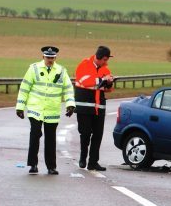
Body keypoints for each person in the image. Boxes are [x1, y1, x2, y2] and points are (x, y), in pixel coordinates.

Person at [16, 46, 75, 175]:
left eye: (52, 58)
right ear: (43, 57)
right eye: (48, 57)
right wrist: (20, 107)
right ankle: (33, 164)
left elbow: (68, 89)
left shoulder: (61, 71)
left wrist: (70, 104)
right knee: (35, 134)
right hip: (35, 108)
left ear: (55, 58)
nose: (50, 60)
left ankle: (51, 167)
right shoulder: (34, 68)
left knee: (50, 139)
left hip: (52, 110)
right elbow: (25, 87)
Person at [74, 45, 114, 171]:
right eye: (105, 60)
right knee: (85, 134)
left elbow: (109, 90)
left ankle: (93, 162)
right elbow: (84, 81)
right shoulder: (84, 64)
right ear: (99, 58)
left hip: (99, 108)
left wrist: (109, 83)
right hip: (84, 107)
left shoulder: (105, 70)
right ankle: (83, 157)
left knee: (98, 135)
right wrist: (101, 80)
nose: (106, 63)